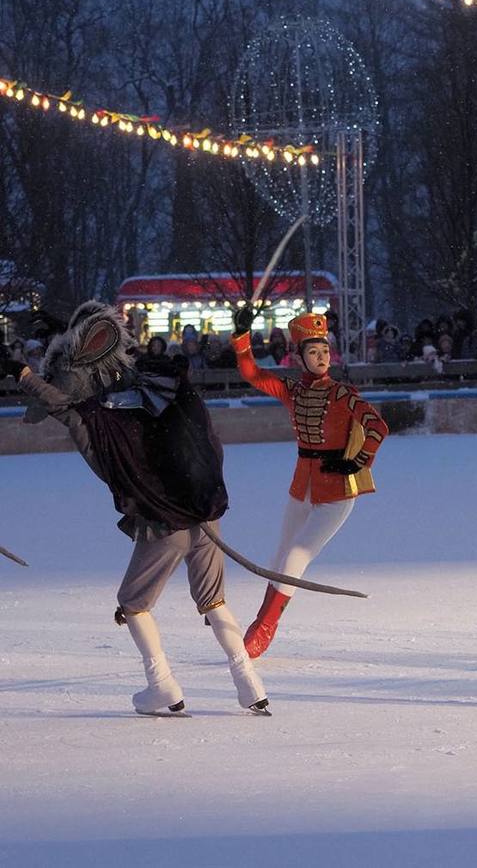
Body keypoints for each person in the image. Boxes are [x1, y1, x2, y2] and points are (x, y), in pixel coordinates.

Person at [0, 301, 269, 716]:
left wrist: (22, 373)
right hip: (205, 514)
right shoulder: (149, 391)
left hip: (167, 521)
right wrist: (67, 330)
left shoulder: (97, 420)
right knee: (214, 599)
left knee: (133, 603)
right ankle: (249, 682)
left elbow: (59, 405)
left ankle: (162, 685)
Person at [231, 306, 389, 658]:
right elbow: (251, 373)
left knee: (297, 557)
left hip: (335, 493)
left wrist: (358, 460)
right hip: (301, 485)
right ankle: (262, 618)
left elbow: (379, 427)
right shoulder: (292, 391)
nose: (321, 358)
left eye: (325, 351)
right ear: (299, 356)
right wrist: (241, 337)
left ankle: (265, 628)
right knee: (279, 556)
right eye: (313, 352)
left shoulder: (342, 394)